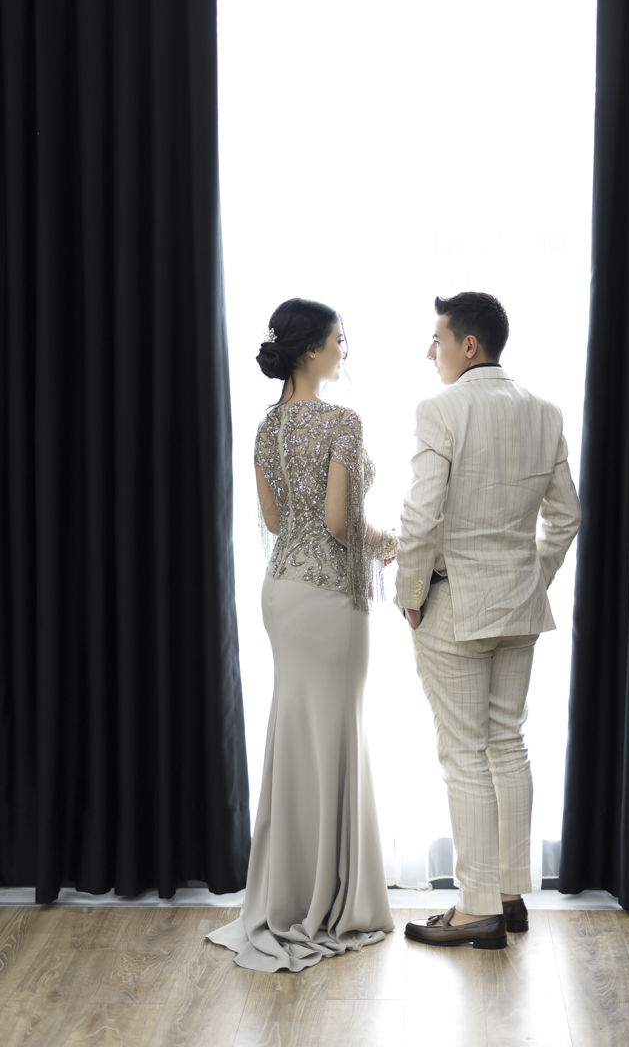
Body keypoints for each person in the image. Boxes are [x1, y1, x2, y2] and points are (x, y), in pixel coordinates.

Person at [207, 298, 397, 973]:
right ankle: (333, 900)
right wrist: (389, 542)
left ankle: (285, 895)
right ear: (311, 350)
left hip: (282, 594)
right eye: (339, 340)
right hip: (328, 599)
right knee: (335, 735)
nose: (344, 350)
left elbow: (274, 518)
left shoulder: (267, 426)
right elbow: (341, 524)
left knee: (294, 736)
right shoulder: (343, 422)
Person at [397, 292, 581, 950]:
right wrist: (533, 577)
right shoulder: (544, 411)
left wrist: (410, 594)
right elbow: (567, 516)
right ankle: (508, 896)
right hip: (519, 605)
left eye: (438, 338)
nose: (432, 351)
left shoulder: (440, 410)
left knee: (465, 754)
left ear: (468, 345)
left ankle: (476, 911)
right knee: (507, 742)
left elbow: (420, 516)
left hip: (456, 605)